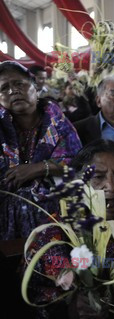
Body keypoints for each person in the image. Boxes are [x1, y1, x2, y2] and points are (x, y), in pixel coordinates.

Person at [27, 139, 114, 319]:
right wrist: (72, 306)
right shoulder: (55, 232)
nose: (111, 186)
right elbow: (35, 297)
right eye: (98, 177)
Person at [0, 61, 82, 240]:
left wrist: (37, 168)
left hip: (55, 217)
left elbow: (77, 162)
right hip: (6, 221)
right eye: (4, 88)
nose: (13, 91)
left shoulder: (57, 122)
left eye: (19, 84)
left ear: (35, 85)